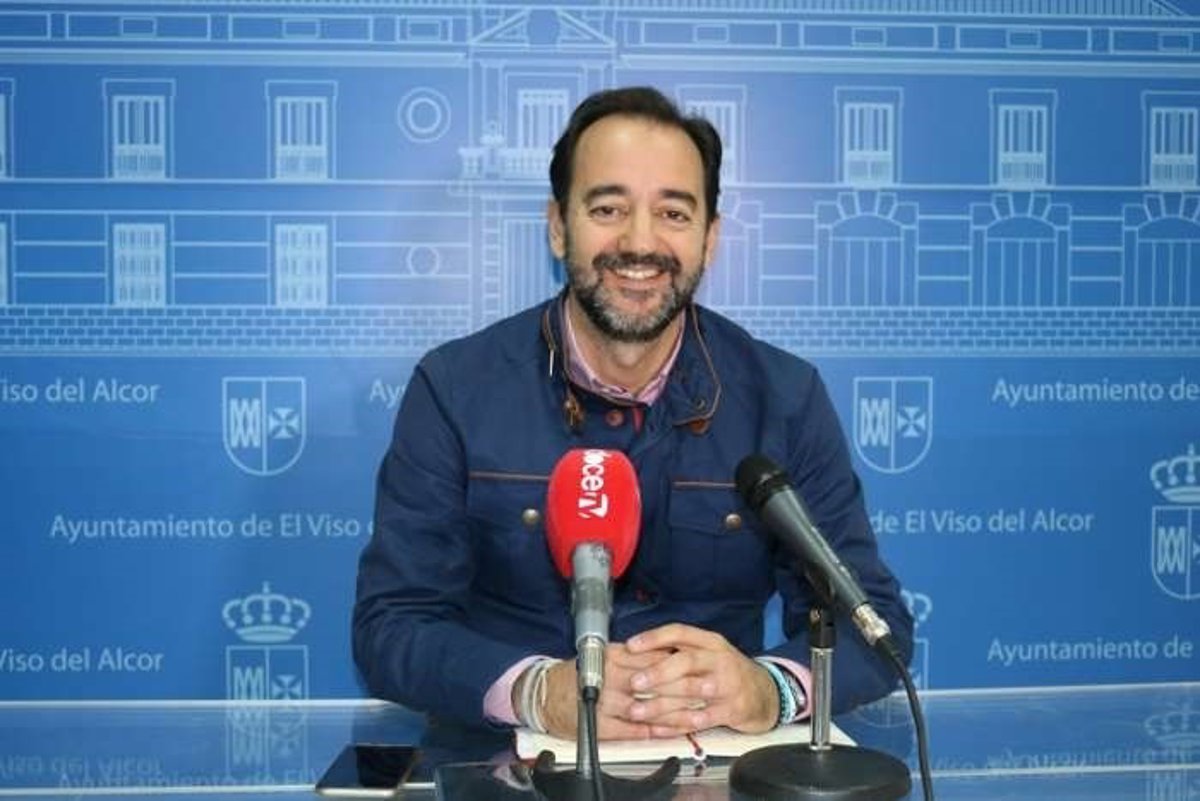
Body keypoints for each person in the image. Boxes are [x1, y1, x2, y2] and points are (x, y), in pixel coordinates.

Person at [353, 86, 913, 742]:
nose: (640, 241)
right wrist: (536, 692)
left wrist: (771, 688)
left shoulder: (785, 397)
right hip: (509, 767)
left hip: (716, 769)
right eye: (608, 208)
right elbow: (391, 627)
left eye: (673, 213)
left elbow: (875, 626)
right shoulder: (455, 388)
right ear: (558, 226)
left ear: (710, 238)